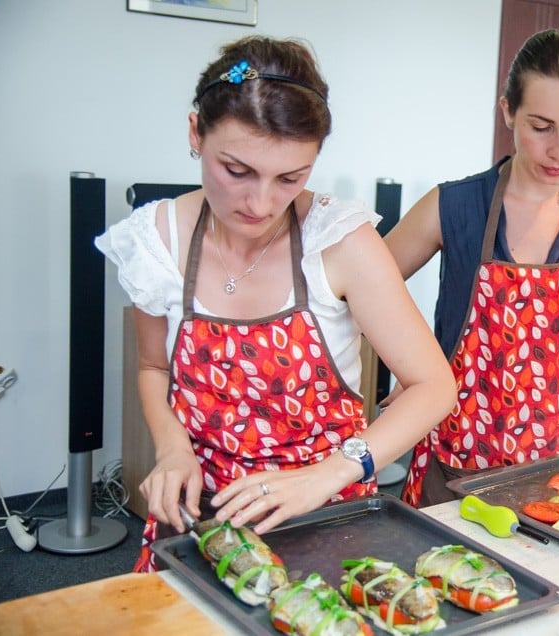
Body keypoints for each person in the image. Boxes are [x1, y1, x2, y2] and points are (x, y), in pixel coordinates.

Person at [95, 36, 456, 571]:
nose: (260, 203)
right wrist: (172, 447)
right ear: (196, 133)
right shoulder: (156, 239)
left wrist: (328, 474)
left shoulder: (338, 239)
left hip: (326, 510)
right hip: (204, 516)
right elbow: (153, 367)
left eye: (290, 177)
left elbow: (434, 388)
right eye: (236, 171)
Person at [384, 29, 559, 507]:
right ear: (508, 112)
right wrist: (414, 363)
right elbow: (366, 288)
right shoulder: (454, 206)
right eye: (541, 126)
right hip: (459, 452)